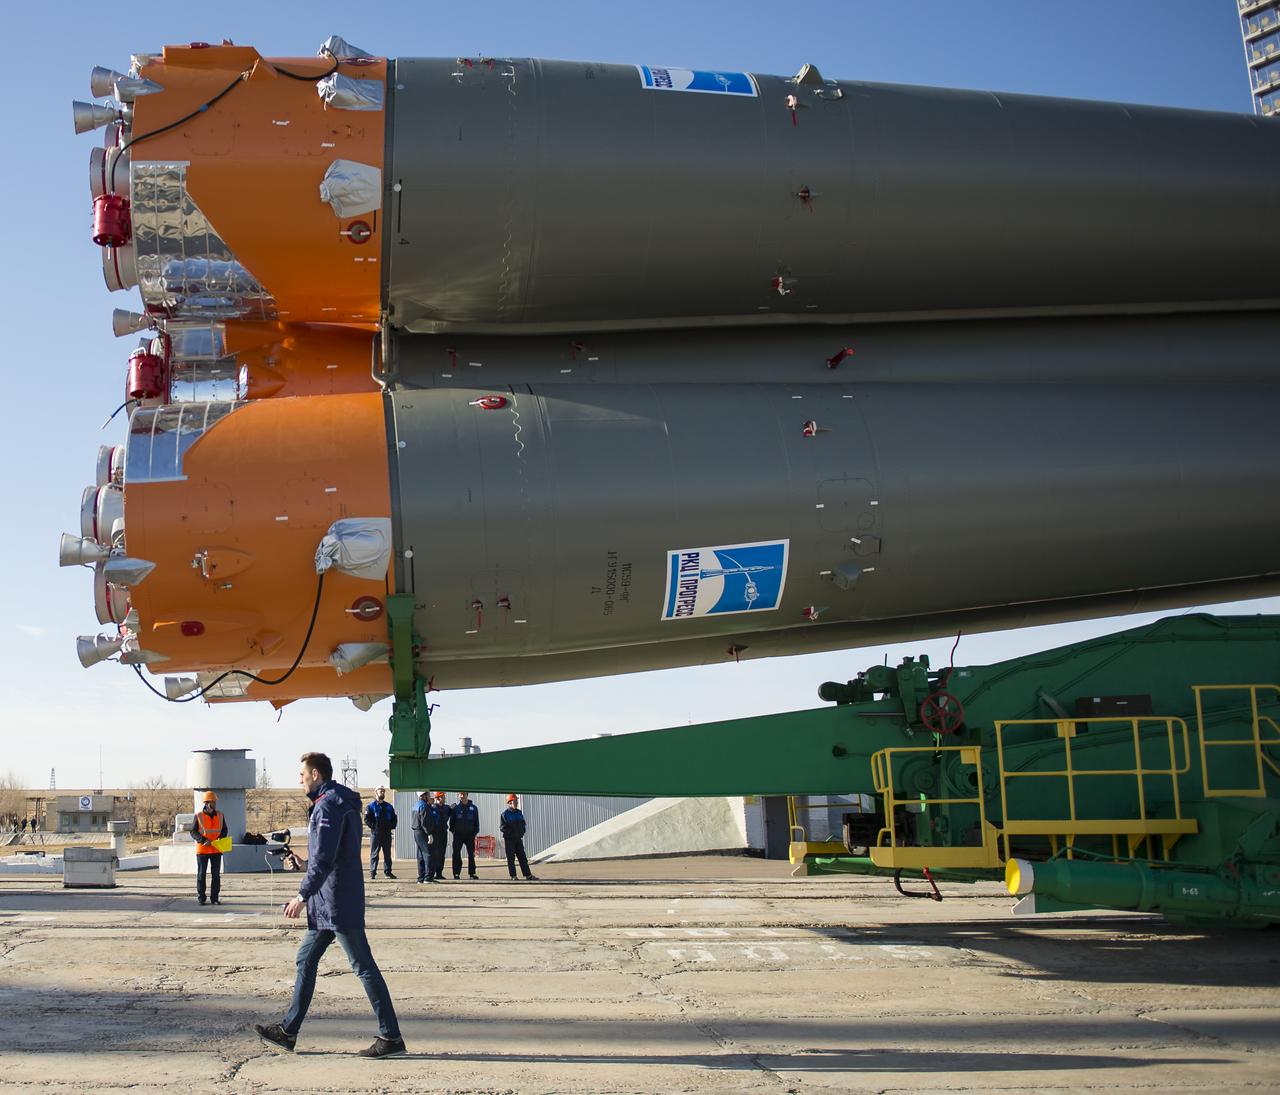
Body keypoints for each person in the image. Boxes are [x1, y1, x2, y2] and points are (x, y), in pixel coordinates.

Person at [254, 751, 406, 1058]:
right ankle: (288, 1032)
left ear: (316, 775)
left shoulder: (327, 807)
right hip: (328, 902)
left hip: (337, 903)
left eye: (302, 775)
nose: (299, 780)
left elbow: (325, 860)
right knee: (305, 960)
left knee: (363, 967)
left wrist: (301, 897)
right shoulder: (335, 802)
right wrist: (303, 865)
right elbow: (329, 857)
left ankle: (391, 1037)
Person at [188, 791, 228, 905]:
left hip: (216, 849)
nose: (215, 804)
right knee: (201, 875)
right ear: (207, 803)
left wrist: (220, 838)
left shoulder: (220, 815)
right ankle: (201, 898)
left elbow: (224, 830)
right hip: (203, 850)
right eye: (213, 802)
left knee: (216, 875)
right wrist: (203, 840)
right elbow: (193, 831)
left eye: (215, 802)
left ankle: (214, 898)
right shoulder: (198, 816)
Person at [500, 793, 537, 881]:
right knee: (511, 858)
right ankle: (513, 876)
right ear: (509, 803)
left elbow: (523, 823)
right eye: (515, 801)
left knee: (522, 857)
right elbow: (502, 827)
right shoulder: (505, 814)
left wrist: (522, 831)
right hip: (509, 840)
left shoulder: (519, 813)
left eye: (516, 801)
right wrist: (511, 834)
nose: (516, 803)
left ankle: (528, 875)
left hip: (518, 839)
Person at [364, 786, 397, 880]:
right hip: (376, 834)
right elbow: (367, 819)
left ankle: (388, 872)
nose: (382, 793)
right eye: (380, 791)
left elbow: (394, 818)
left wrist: (391, 826)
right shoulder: (371, 806)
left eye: (383, 791)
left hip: (386, 834)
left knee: (387, 854)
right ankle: (372, 873)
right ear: (376, 792)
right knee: (374, 854)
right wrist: (374, 827)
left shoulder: (389, 806)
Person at [450, 791, 480, 880]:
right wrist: (454, 832)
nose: (462, 796)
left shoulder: (473, 808)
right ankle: (456, 873)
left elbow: (476, 822)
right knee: (456, 854)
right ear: (458, 795)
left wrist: (474, 832)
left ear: (467, 795)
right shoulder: (456, 809)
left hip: (470, 835)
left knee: (471, 854)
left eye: (464, 794)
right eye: (460, 794)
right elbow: (452, 822)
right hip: (458, 835)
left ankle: (472, 874)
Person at [410, 791, 434, 883]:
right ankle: (428, 877)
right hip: (422, 832)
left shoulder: (416, 805)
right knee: (427, 854)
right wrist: (429, 833)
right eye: (428, 795)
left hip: (417, 832)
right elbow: (424, 822)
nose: (429, 796)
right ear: (423, 796)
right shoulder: (424, 806)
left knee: (420, 855)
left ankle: (421, 877)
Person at [426, 791, 451, 881]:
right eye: (443, 797)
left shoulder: (446, 808)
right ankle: (432, 873)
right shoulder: (433, 808)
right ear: (438, 798)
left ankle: (439, 873)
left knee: (442, 853)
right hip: (435, 833)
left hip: (443, 832)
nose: (444, 798)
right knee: (435, 853)